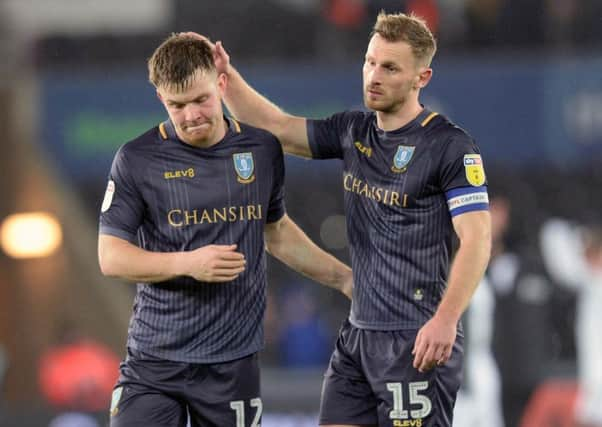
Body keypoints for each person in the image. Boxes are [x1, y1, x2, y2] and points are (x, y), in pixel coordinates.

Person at [196, 10, 492, 426]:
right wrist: (226, 77)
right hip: (358, 335)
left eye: (390, 67)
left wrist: (445, 319)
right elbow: (276, 127)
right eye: (370, 62)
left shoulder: (449, 146)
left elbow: (477, 238)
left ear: (420, 78)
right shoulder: (354, 130)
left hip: (416, 336)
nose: (374, 75)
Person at [97, 33, 352, 427]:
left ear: (220, 84)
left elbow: (277, 232)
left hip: (231, 365)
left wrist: (344, 279)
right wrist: (189, 262)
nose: (191, 115)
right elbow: (110, 257)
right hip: (155, 361)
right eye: (177, 105)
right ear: (161, 100)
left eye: (200, 99)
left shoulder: (261, 150)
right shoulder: (137, 159)